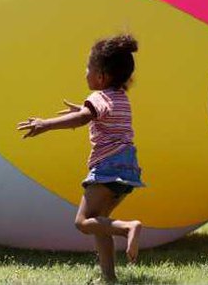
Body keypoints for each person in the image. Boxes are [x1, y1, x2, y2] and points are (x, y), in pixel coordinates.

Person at [17, 34, 143, 283]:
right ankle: (109, 277)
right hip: (128, 169)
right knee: (100, 224)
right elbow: (97, 115)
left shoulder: (98, 98)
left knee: (83, 222)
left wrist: (46, 124)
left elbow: (85, 117)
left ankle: (129, 227)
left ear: (101, 77)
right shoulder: (120, 98)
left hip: (107, 168)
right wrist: (84, 110)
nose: (85, 72)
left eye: (89, 68)